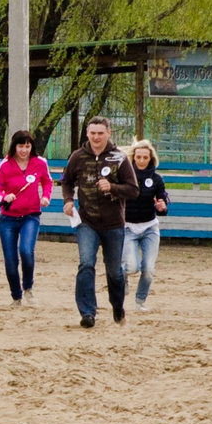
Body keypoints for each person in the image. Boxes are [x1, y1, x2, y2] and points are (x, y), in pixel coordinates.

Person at [62, 116, 132, 329]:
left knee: (114, 272)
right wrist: (68, 200)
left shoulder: (119, 158)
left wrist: (113, 188)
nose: (96, 137)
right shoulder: (78, 156)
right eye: (92, 133)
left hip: (113, 223)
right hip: (87, 221)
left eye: (100, 133)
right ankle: (87, 312)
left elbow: (133, 189)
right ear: (87, 134)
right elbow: (66, 181)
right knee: (86, 263)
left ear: (109, 133)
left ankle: (117, 306)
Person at [0, 130, 53, 306]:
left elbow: (47, 181)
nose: (24, 150)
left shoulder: (40, 163)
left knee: (26, 250)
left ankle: (28, 287)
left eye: (27, 146)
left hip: (30, 216)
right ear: (14, 146)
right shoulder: (5, 165)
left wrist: (46, 196)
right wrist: (4, 196)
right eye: (20, 146)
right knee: (10, 259)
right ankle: (16, 296)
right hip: (8, 218)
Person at [121, 138, 169, 308]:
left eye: (145, 158)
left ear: (151, 159)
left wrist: (162, 207)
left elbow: (162, 203)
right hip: (128, 228)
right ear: (133, 158)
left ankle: (140, 302)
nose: (141, 161)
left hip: (149, 227)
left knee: (148, 269)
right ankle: (123, 275)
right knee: (132, 267)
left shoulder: (157, 179)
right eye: (138, 157)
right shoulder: (124, 177)